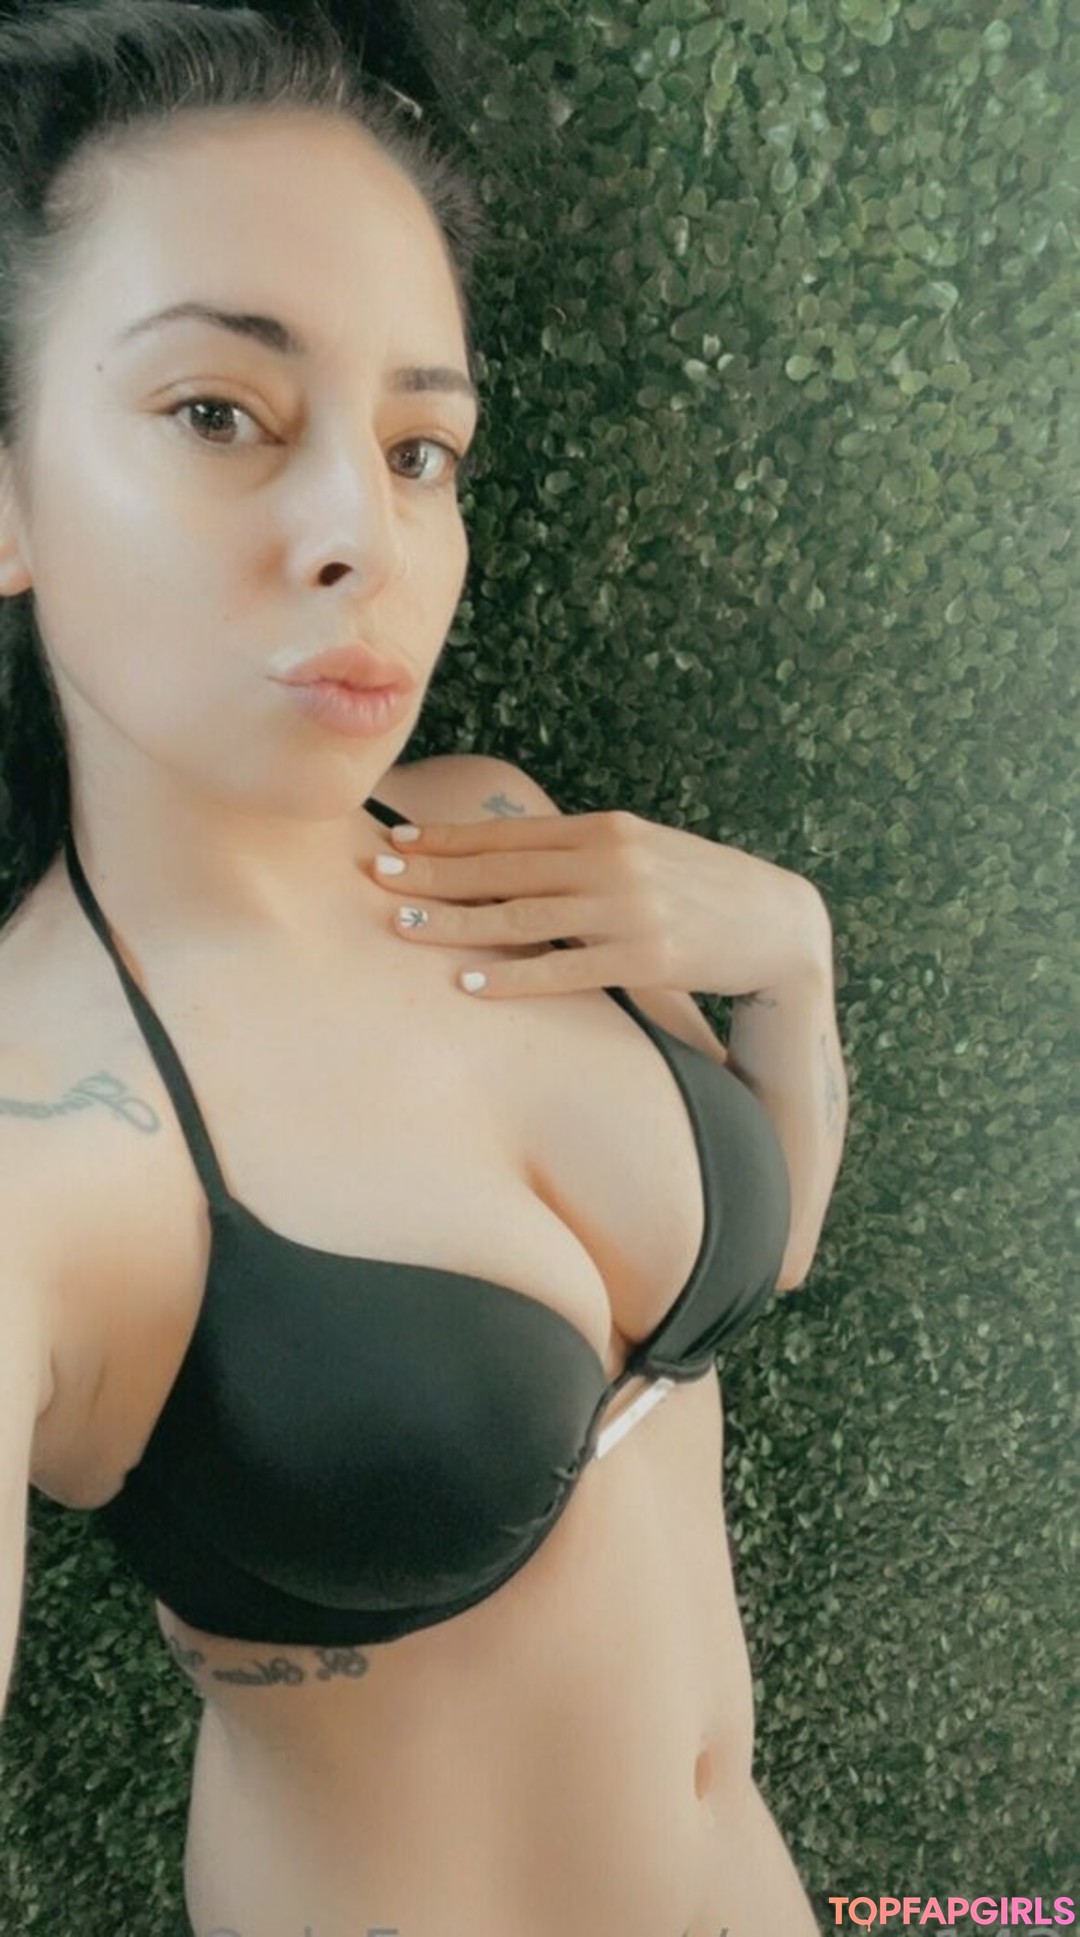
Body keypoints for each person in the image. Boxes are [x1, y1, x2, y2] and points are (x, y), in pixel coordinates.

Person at [0, 4, 847, 1933]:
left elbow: (767, 1255)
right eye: (219, 413)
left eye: (419, 447)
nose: (359, 534)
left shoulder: (492, 834)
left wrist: (792, 964)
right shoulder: (41, 1145)